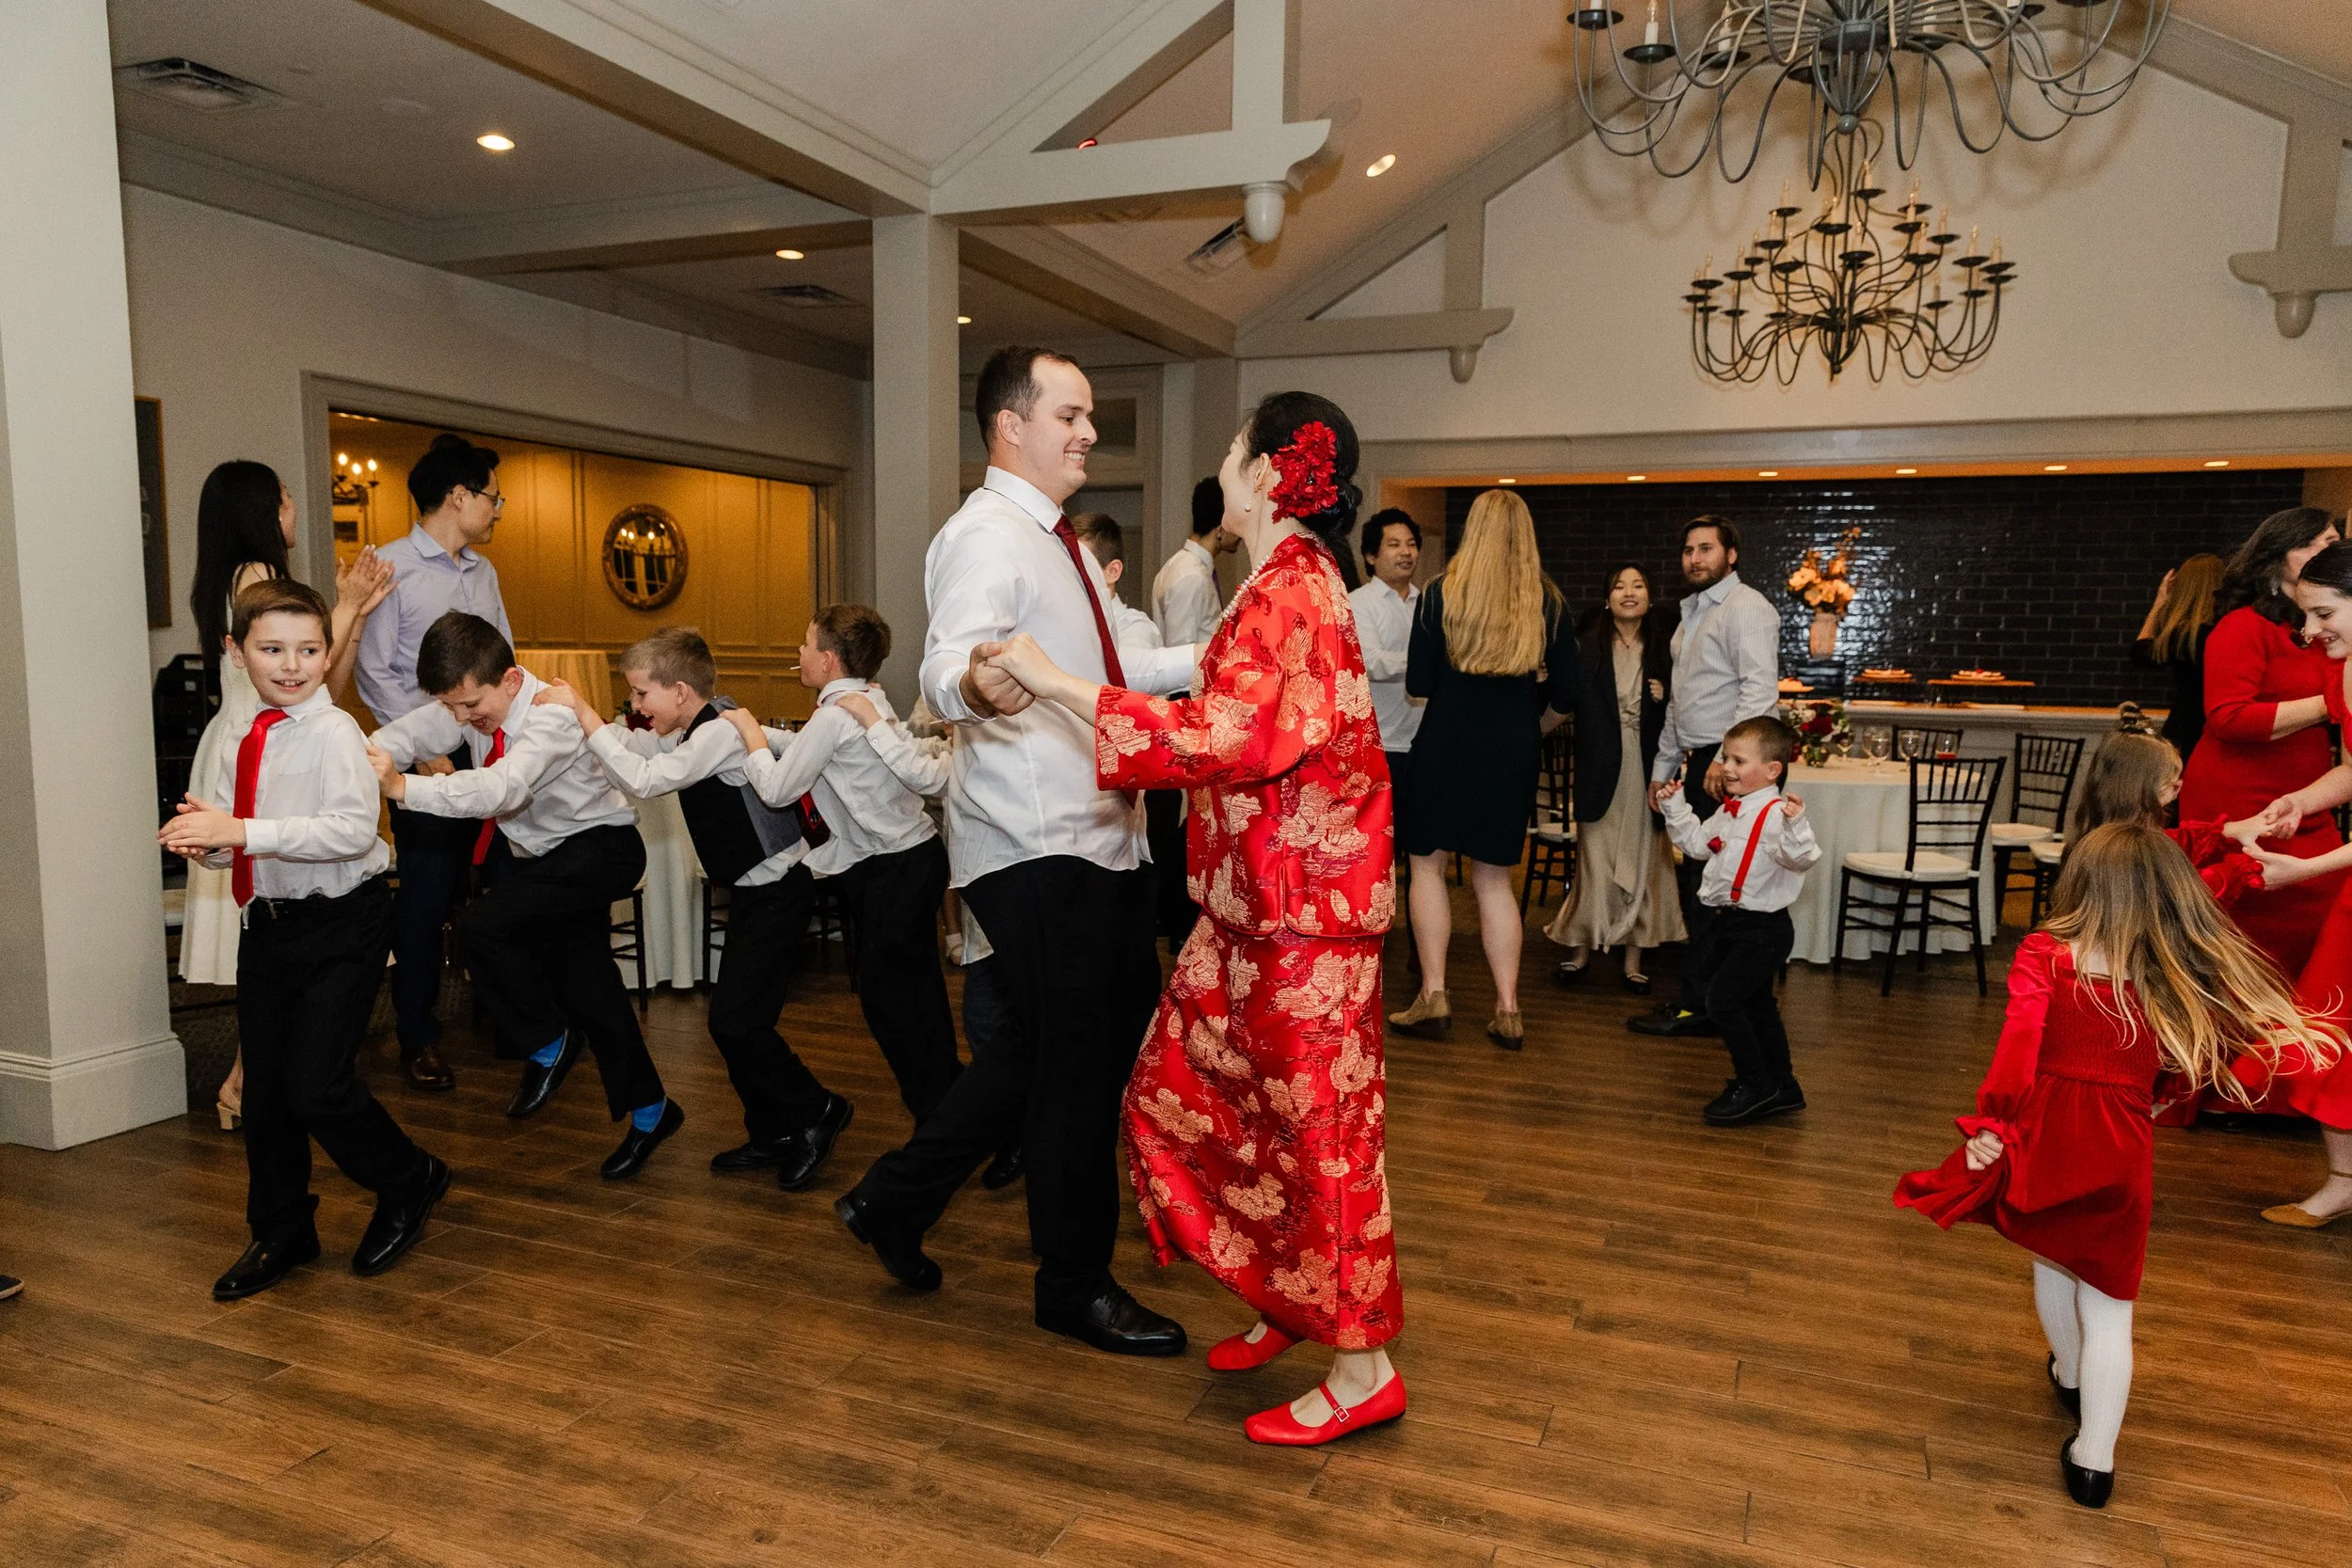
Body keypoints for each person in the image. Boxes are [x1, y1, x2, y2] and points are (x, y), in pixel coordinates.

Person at [990, 389, 1405, 1447]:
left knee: (1322, 1141)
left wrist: (1050, 681)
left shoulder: (1294, 589)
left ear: (1269, 471)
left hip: (1306, 923)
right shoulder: (1272, 580)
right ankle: (1285, 1291)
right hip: (1249, 911)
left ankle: (1363, 1366)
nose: (1221, 462)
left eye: (1231, 446)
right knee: (1190, 1093)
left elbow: (1212, 737)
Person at [833, 345, 1200, 1357]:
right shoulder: (984, 534)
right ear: (1011, 424)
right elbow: (949, 657)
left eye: (1087, 416)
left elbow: (1125, 662)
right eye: (1071, 415)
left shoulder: (1063, 544)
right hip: (1035, 842)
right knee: (1078, 1065)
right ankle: (1071, 1283)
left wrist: (1239, 647)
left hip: (1099, 840)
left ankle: (893, 1199)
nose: (1088, 431)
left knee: (1042, 1046)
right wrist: (970, 688)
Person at [1895, 822, 2335, 1509]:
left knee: (2050, 1256)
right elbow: (2200, 1056)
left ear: (2081, 882)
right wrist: (2156, 1095)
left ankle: (2068, 1371)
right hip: (2120, 1142)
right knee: (2110, 1307)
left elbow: (2018, 1044)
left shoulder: (2046, 952)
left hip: (2046, 1133)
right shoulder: (2169, 968)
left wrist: (1994, 1122)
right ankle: (2094, 1459)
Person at [161, 579, 450, 1300]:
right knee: (265, 1097)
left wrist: (242, 832)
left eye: (309, 650)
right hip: (268, 924)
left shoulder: (335, 733)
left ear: (327, 655)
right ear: (237, 652)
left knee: (317, 1086)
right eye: (272, 649)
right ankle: (283, 1227)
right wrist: (215, 844)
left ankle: (410, 1177)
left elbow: (352, 830)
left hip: (343, 923)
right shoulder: (241, 735)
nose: (291, 665)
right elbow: (248, 840)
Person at [364, 612, 680, 1180]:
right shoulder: (474, 706)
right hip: (553, 862)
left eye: (469, 705)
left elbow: (502, 787)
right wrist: (357, 754)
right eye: (454, 709)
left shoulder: (550, 716)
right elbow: (409, 734)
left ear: (510, 680)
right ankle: (652, 1111)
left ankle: (547, 1045)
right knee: (591, 991)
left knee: (482, 927)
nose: (463, 720)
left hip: (601, 848)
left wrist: (402, 786)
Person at [535, 628, 849, 1190]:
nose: (634, 707)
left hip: (779, 893)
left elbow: (648, 779)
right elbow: (637, 751)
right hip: (758, 894)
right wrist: (584, 725)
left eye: (640, 695)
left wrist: (584, 714)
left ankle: (817, 1112)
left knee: (737, 1022)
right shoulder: (693, 731)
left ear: (679, 691)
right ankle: (775, 1129)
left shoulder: (721, 733)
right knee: (735, 1023)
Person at [181, 461, 393, 1129]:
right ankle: (248, 1078)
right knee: (269, 904)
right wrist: (348, 600)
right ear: (265, 508)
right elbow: (312, 665)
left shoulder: (223, 575)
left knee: (264, 921)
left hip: (247, 735)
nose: (295, 507)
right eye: (286, 497)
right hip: (264, 742)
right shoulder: (258, 579)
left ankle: (252, 1075)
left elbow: (323, 673)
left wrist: (351, 608)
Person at [723, 605, 963, 1129]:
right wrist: (764, 737)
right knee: (916, 1000)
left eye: (806, 645)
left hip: (894, 871)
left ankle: (945, 1122)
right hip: (910, 861)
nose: (799, 653)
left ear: (828, 659)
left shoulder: (836, 714)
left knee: (892, 1007)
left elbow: (777, 788)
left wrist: (750, 737)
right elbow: (817, 750)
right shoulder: (864, 699)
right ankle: (952, 1114)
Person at [1388, 487, 1575, 1049]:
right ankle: (1508, 1009)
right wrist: (1529, 725)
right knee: (1494, 880)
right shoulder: (1549, 602)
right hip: (1511, 751)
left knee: (1427, 868)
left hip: (1444, 743)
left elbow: (1418, 685)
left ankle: (1435, 994)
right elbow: (1567, 694)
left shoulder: (1440, 595)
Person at [358, 434, 515, 1093]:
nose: (498, 508)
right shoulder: (389, 567)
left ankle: (517, 1019)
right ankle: (417, 1034)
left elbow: (505, 658)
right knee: (425, 896)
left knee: (505, 885)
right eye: (492, 495)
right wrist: (428, 757)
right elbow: (375, 676)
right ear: (459, 495)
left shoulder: (484, 572)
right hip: (421, 763)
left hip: (487, 757)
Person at [2219, 537, 2352, 1227]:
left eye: (2324, 612)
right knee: (2327, 1025)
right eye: (2305, 614)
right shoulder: (2343, 674)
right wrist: (2303, 800)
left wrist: (2307, 867)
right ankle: (2343, 1180)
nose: (2309, 631)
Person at [2175, 506, 2345, 978]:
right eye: (2321, 543)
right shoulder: (2243, 626)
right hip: (2237, 797)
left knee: (2320, 917)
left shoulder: (2325, 632)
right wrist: (2333, 700)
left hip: (2309, 796)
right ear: (2278, 559)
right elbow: (2228, 717)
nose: (2334, 552)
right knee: (2244, 935)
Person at [1630, 515, 1780, 1037]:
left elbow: (1759, 693)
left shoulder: (1748, 608)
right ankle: (1707, 1002)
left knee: (1721, 893)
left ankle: (1712, 1004)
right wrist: (1662, 769)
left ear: (1731, 555)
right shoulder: (1691, 614)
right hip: (1700, 766)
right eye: (1688, 550)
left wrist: (1726, 759)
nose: (1695, 558)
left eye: (1707, 549)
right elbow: (1680, 703)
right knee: (1702, 889)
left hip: (1732, 772)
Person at [1652, 716, 1819, 1124]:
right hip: (1733, 925)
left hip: (1764, 931)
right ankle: (1783, 1086)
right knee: (1758, 1005)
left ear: (1772, 770)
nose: (1726, 767)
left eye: (1739, 761)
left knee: (1722, 1002)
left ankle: (1757, 1084)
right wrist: (1675, 806)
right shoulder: (1730, 812)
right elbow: (1697, 844)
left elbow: (1802, 858)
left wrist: (1796, 826)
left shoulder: (1779, 815)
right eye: (1726, 757)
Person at [1549, 562, 1682, 992]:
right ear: (1607, 598)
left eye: (1638, 585)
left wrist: (1665, 697)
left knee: (1645, 859)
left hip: (1649, 767)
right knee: (1595, 860)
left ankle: (1634, 957)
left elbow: (1683, 710)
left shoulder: (1666, 647)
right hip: (1599, 767)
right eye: (1619, 585)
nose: (1629, 592)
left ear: (1648, 597)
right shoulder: (1586, 646)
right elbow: (1566, 699)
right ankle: (1580, 948)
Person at [1349, 509, 1422, 880]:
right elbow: (1371, 662)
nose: (1405, 552)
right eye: (1394, 545)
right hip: (1378, 747)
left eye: (1410, 544)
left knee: (1423, 853)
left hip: (1422, 744)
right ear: (1371, 556)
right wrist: (1426, 661)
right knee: (1377, 851)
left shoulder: (1427, 604)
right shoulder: (1359, 603)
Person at [2130, 553, 2224, 763]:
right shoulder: (2227, 632)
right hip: (2218, 731)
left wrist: (2160, 601)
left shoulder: (2182, 636)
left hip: (2183, 729)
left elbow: (2140, 652)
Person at [1152, 474, 1238, 647]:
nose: (1240, 532)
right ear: (1220, 529)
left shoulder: (1183, 567)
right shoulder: (1191, 577)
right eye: (1235, 522)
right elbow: (1181, 655)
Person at [1068, 513, 1164, 650]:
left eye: (1080, 566)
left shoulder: (1136, 628)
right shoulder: (1066, 623)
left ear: (1113, 571)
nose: (1070, 575)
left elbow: (1126, 667)